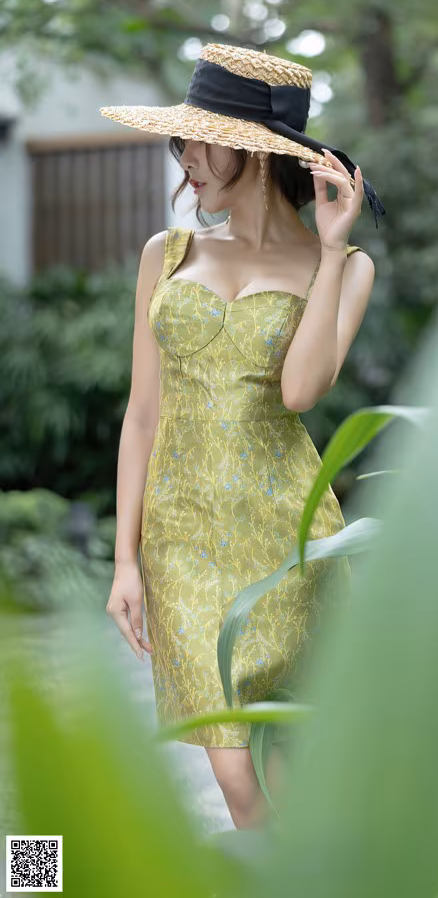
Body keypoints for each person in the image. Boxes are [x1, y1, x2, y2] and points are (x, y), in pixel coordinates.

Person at [102, 42, 384, 829]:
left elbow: (299, 391)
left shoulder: (346, 267)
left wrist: (331, 251)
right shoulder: (165, 255)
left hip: (288, 543)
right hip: (181, 542)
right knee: (236, 774)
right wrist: (125, 559)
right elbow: (143, 413)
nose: (184, 160)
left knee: (294, 772)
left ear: (254, 152)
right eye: (179, 142)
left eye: (198, 142)